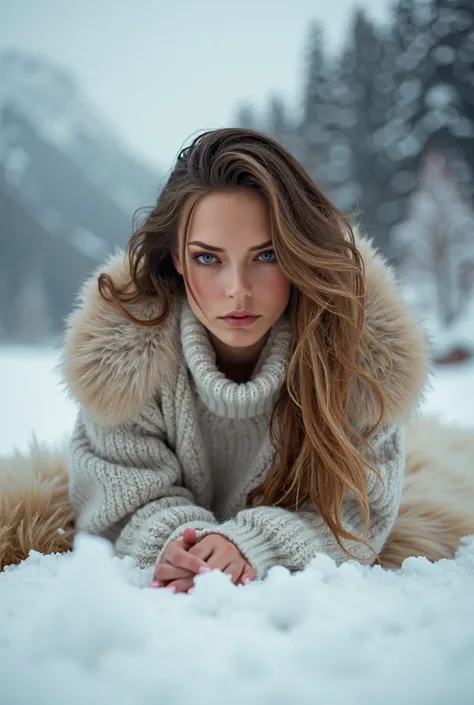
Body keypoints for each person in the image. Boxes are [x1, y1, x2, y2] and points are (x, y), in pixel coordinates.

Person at [60, 127, 429, 594]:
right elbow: (120, 496)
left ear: (300, 253)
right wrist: (185, 542)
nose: (238, 289)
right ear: (176, 258)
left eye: (267, 255)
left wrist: (254, 544)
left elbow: (360, 513)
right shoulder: (127, 358)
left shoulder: (355, 357)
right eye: (208, 258)